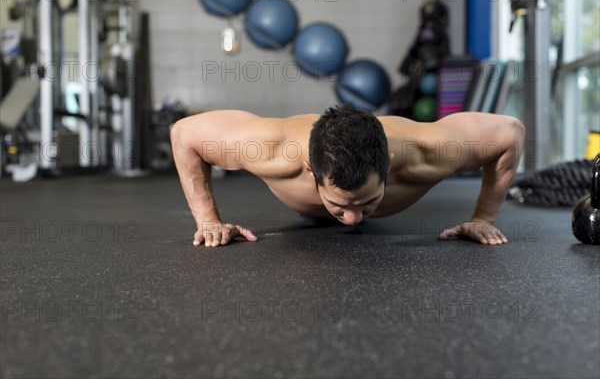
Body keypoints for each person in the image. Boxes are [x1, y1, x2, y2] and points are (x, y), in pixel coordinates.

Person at [171, 104, 525, 247]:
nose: (352, 219)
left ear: (387, 165)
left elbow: (509, 132)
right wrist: (208, 220)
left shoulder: (428, 151)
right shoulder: (270, 149)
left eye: (368, 201)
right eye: (339, 207)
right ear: (311, 171)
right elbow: (184, 134)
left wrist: (483, 218)